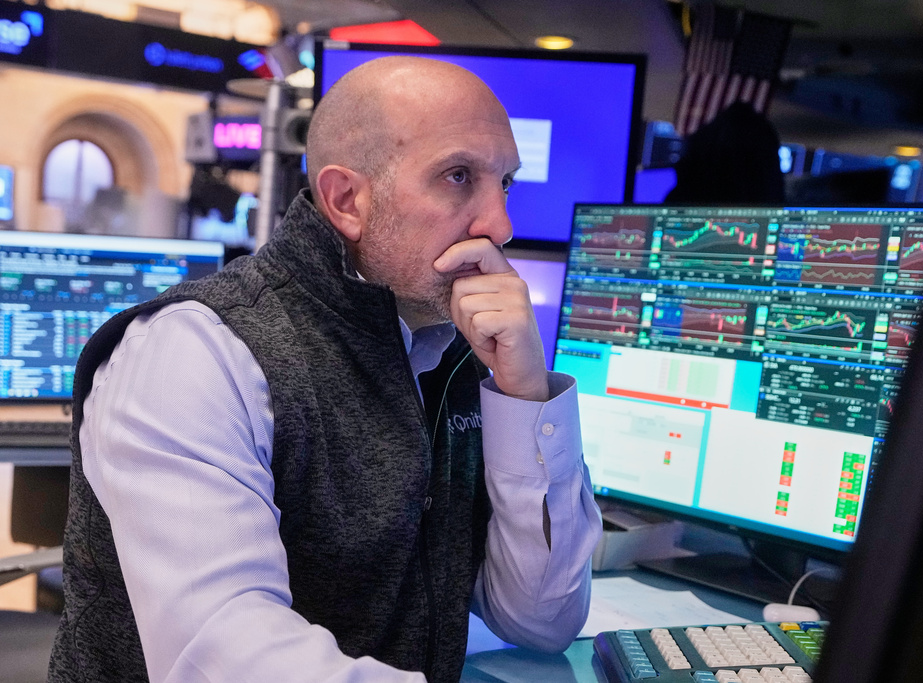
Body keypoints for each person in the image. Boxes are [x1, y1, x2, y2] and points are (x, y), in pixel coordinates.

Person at [48, 57, 602, 683]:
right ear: (347, 200)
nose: (500, 224)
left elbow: (542, 620)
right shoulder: (193, 352)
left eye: (505, 183)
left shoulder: (457, 352)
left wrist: (525, 396)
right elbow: (225, 655)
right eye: (456, 177)